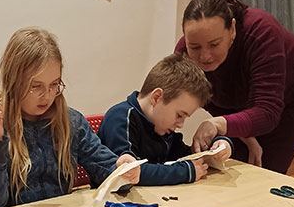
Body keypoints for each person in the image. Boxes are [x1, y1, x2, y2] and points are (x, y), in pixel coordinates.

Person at [0, 27, 140, 207]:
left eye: (54, 85)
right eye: (36, 86)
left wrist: (124, 171)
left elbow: (107, 172)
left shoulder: (71, 121)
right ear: (13, 81)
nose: (47, 96)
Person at [175, 0, 294, 174]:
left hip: (293, 91)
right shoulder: (183, 54)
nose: (205, 56)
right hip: (244, 97)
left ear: (232, 29)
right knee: (229, 165)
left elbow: (268, 112)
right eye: (195, 47)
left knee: (266, 169)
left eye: (214, 44)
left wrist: (218, 124)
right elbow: (209, 99)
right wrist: (246, 136)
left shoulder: (262, 32)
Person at [98, 53, 233, 185]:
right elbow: (128, 172)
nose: (180, 125)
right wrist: (184, 172)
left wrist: (217, 146)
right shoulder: (121, 117)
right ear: (157, 97)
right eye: (179, 115)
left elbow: (186, 155)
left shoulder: (161, 126)